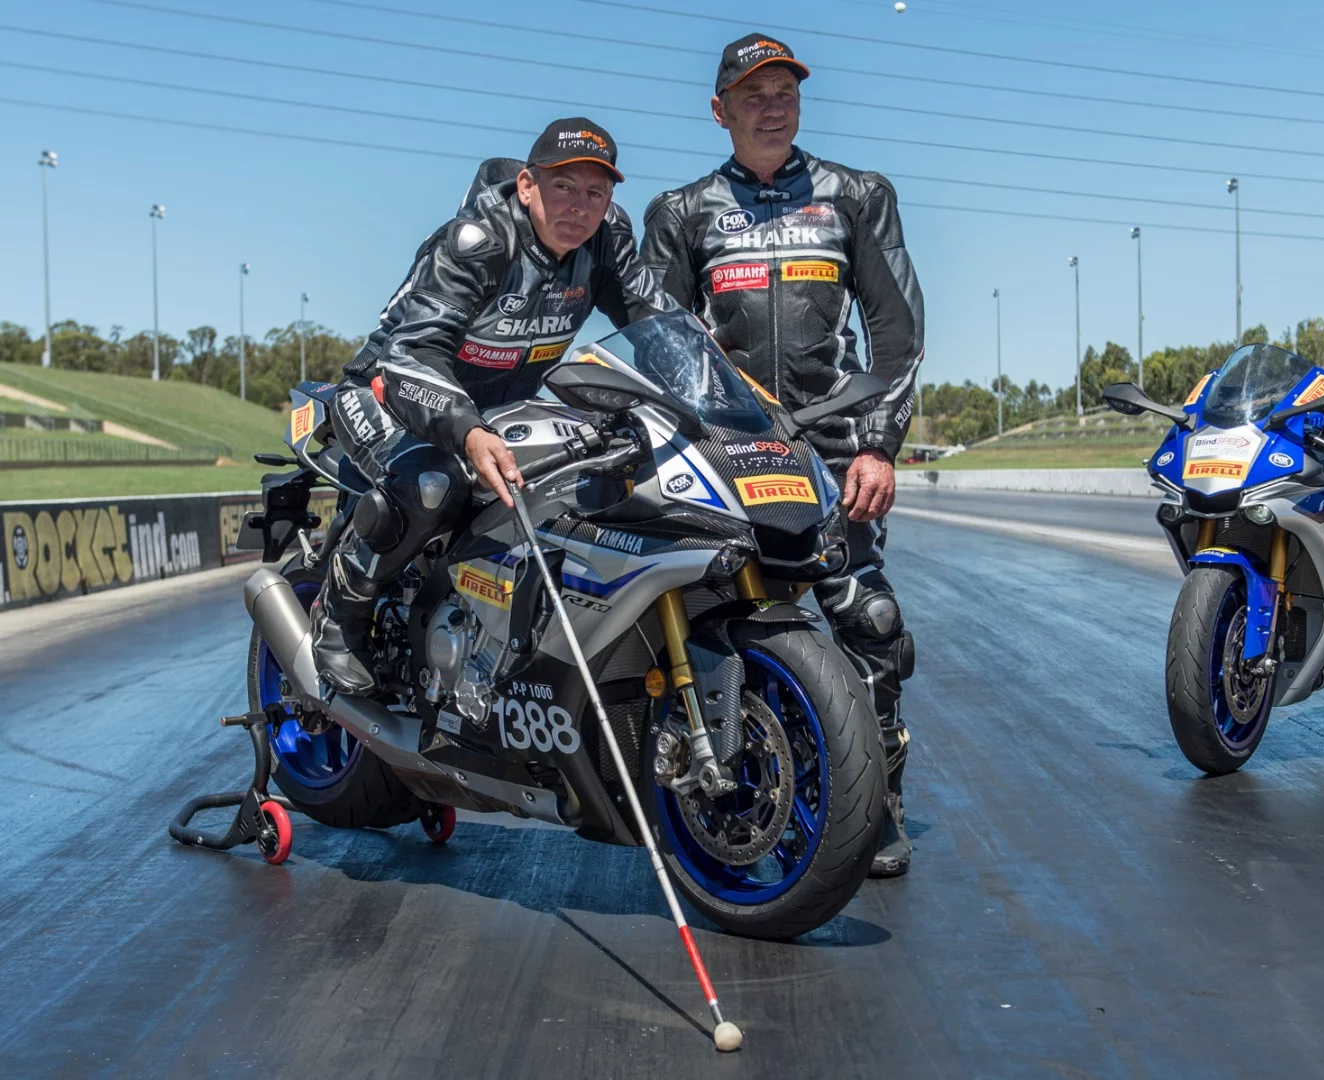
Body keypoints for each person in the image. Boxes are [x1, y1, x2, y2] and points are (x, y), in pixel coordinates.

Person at [640, 36, 926, 877]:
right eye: (753, 94)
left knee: (869, 620)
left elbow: (898, 331)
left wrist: (879, 444)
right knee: (707, 611)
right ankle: (721, 787)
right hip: (726, 445)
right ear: (720, 110)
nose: (773, 107)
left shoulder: (858, 196)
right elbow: (656, 343)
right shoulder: (680, 212)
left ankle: (878, 803)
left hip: (833, 447)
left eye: (785, 92)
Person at [312, 118, 673, 694]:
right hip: (390, 391)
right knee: (433, 482)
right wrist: (468, 431)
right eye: (563, 186)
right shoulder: (478, 241)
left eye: (595, 192)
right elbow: (412, 353)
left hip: (503, 408)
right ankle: (339, 614)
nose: (579, 206)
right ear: (527, 186)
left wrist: (727, 396)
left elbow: (662, 328)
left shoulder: (606, 240)